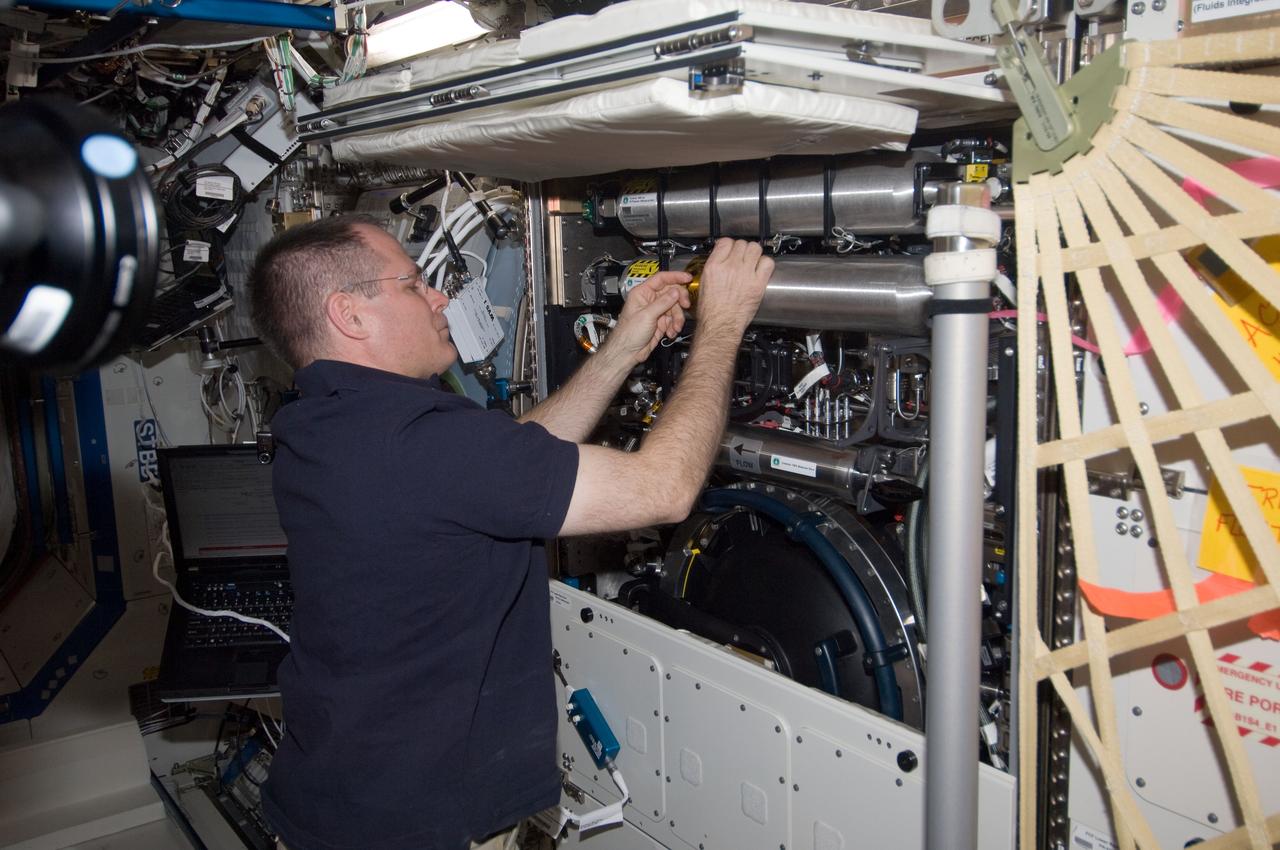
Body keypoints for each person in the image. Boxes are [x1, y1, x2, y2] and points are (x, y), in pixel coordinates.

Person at [247, 213, 773, 850]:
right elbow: (665, 489)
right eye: (413, 285)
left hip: (334, 792)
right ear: (349, 315)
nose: (439, 296)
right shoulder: (419, 441)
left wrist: (624, 346)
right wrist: (722, 326)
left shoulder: (322, 422)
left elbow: (512, 464)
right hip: (415, 824)